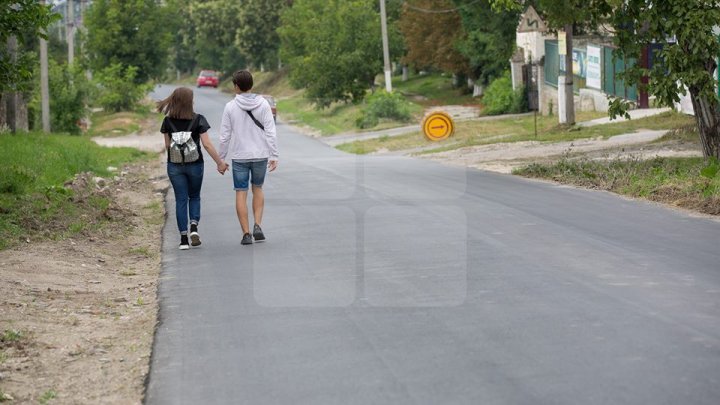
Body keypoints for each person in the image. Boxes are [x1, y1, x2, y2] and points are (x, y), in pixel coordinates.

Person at [157, 87, 229, 250]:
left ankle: (183, 239)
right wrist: (220, 163)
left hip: (174, 165)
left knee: (181, 199)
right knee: (194, 196)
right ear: (190, 102)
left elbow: (168, 145)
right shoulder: (199, 119)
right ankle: (194, 227)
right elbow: (207, 145)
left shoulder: (167, 121)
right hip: (195, 164)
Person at [219, 70, 279, 245]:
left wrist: (221, 159)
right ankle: (258, 225)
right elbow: (271, 131)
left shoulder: (230, 107)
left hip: (240, 156)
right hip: (260, 155)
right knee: (258, 188)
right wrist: (274, 154)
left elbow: (224, 136)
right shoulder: (263, 104)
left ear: (236, 86)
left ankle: (246, 233)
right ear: (251, 85)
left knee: (241, 192)